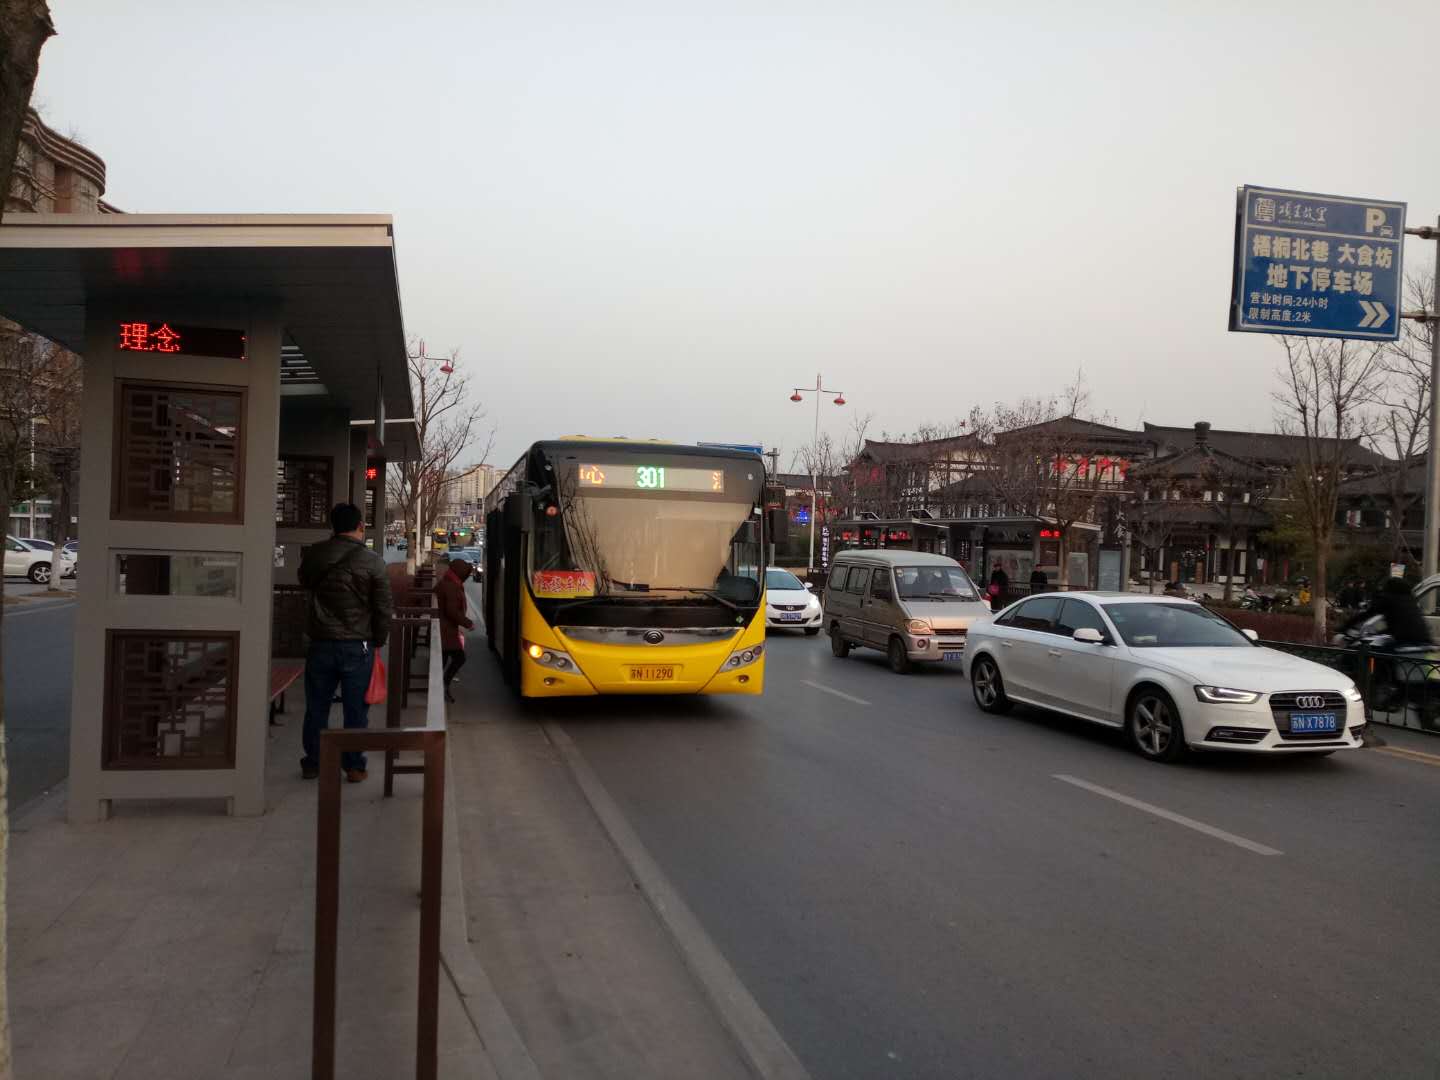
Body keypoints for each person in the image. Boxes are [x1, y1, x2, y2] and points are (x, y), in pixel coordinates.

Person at [297, 503, 393, 782]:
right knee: (356, 709)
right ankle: (353, 766)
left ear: (333, 526)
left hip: (320, 643)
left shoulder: (315, 554)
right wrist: (378, 639)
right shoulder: (373, 561)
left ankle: (313, 763)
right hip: (357, 646)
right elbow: (383, 607)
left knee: (317, 706)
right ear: (360, 526)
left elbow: (304, 581)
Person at [434, 557, 475, 704]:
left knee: (443, 660)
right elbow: (452, 611)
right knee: (459, 658)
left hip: (444, 628)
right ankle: (442, 686)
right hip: (445, 630)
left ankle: (440, 688)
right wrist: (468, 623)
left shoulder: (448, 581)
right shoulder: (451, 586)